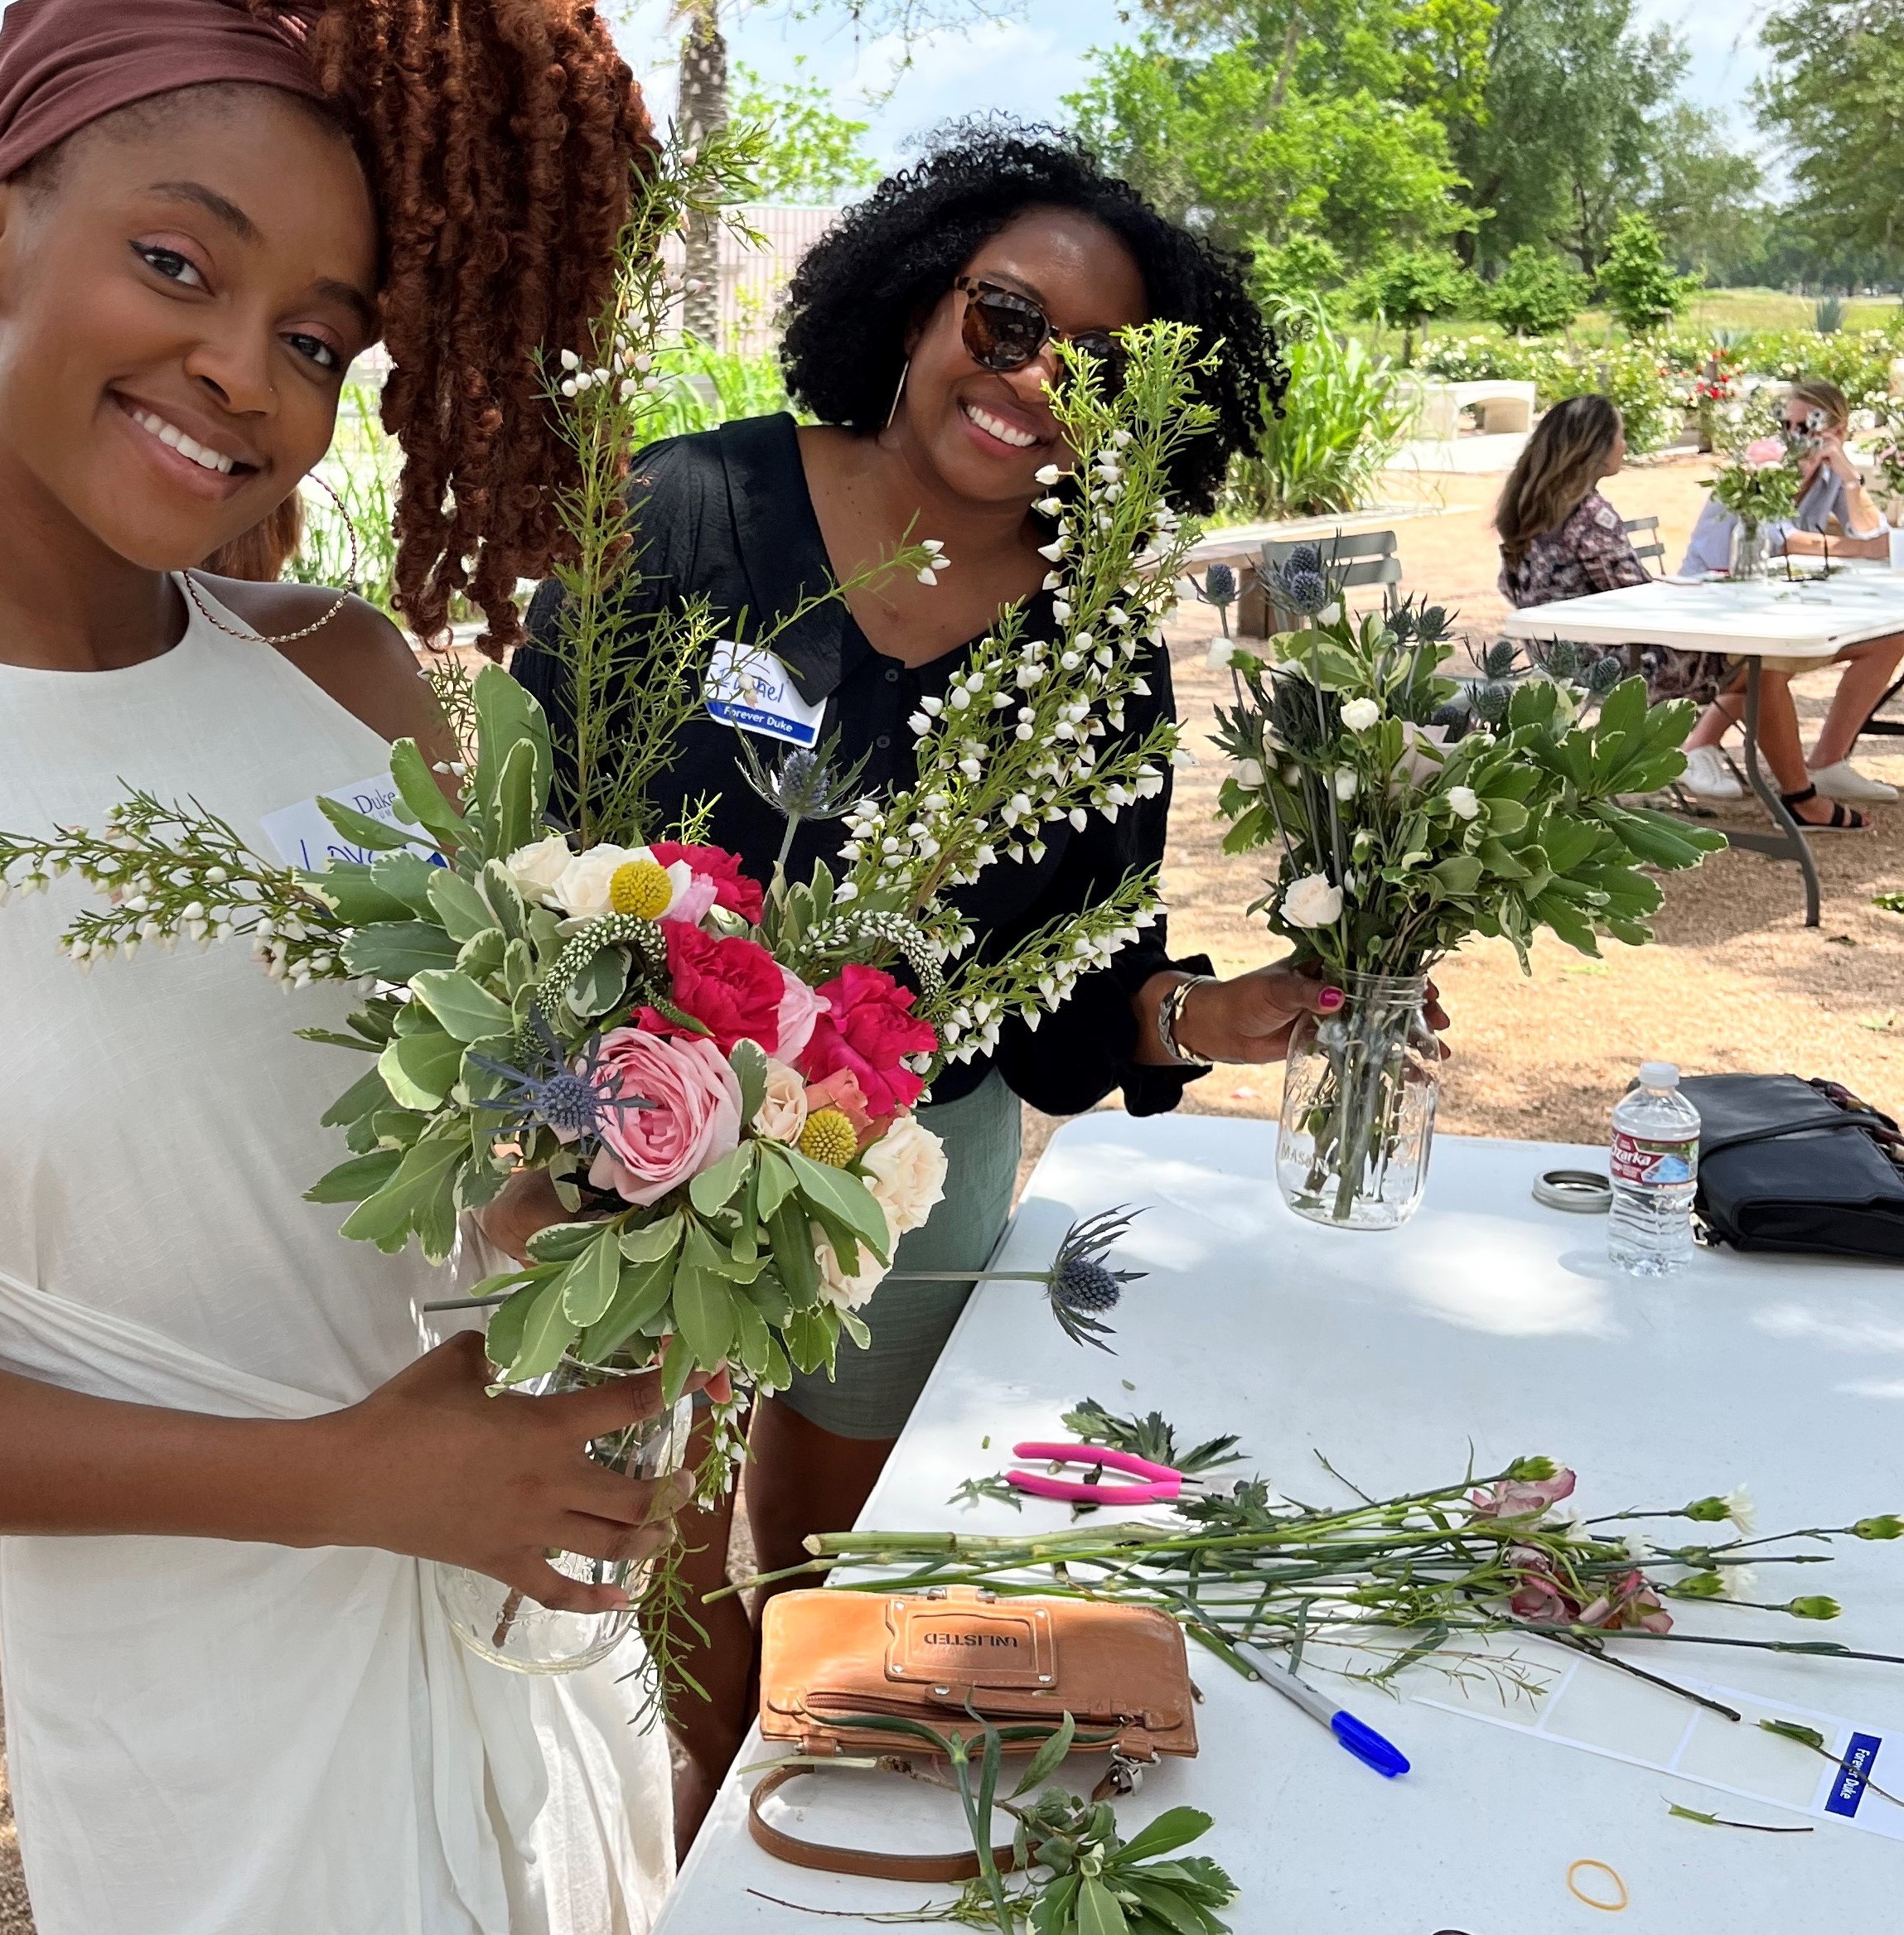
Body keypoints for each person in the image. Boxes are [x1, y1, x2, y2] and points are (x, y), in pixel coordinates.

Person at [0, 0, 689, 1932]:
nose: (239, 375)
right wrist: (354, 1479)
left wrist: (643, 1215)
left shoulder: (350, 672)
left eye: (315, 335)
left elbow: (485, 1135)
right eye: (178, 262)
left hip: (524, 1621)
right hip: (208, 1686)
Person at [507, 125, 1446, 1839]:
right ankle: (709, 1833)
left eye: (1100, 375)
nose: (1029, 387)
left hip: (914, 1170)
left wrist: (1205, 1016)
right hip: (637, 1144)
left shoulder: (1091, 657)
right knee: (650, 1531)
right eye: (1004, 322)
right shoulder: (687, 512)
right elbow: (533, 828)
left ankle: (781, 1832)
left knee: (827, 1560)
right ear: (917, 299)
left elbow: (1067, 1005)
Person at [1497, 393, 1868, 830]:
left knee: (1754, 669)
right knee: (1762, 667)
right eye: (1620, 437)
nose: (1625, 447)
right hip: (1613, 662)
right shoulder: (1589, 514)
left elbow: (1518, 588)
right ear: (1595, 448)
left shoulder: (1527, 506)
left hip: (1555, 652)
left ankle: (1732, 762)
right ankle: (1798, 797)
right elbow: (1635, 597)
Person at [1677, 379, 1904, 805]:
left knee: (1891, 639)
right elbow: (1780, 538)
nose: (1795, 437)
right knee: (1768, 657)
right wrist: (1862, 548)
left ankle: (1828, 762)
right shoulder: (1761, 464)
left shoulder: (1830, 474)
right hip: (1712, 598)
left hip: (1776, 596)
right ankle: (1697, 746)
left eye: (1809, 427)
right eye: (1789, 425)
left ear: (1837, 428)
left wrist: (1849, 477)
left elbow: (1877, 535)